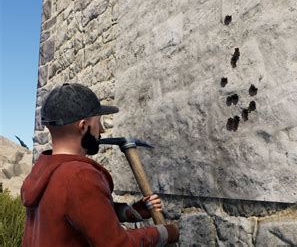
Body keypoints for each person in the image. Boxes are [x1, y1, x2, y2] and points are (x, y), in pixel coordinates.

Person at [21, 83, 179, 246]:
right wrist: (165, 232)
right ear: (83, 126)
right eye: (98, 122)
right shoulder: (79, 176)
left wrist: (130, 212)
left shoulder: (43, 172)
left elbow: (74, 213)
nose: (101, 130)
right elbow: (118, 244)